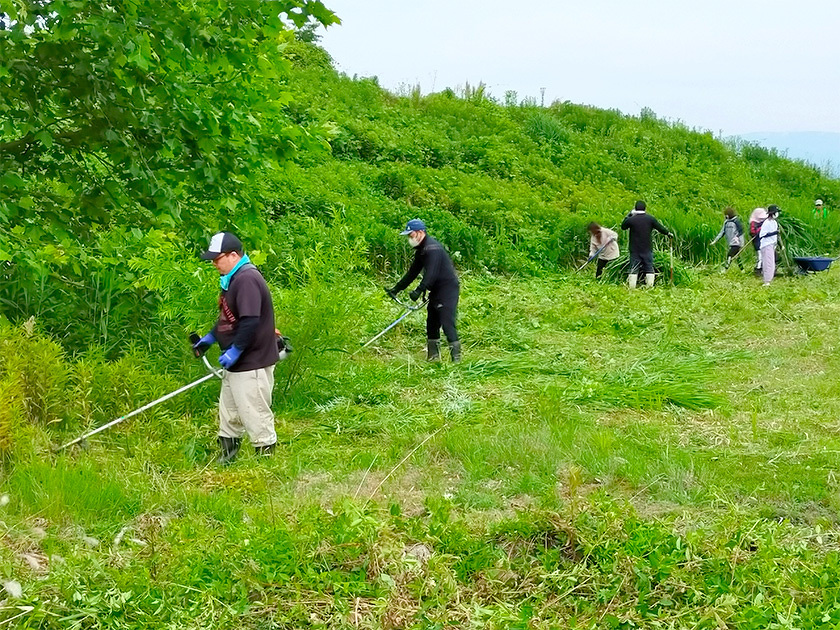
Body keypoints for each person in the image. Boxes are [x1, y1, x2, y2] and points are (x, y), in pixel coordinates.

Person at [192, 232, 280, 464]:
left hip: (252, 360)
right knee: (229, 413)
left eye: (217, 258)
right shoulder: (231, 278)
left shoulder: (247, 278)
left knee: (255, 412)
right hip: (236, 363)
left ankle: (267, 464)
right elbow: (229, 318)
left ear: (233, 255)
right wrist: (210, 339)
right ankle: (227, 459)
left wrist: (236, 350)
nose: (213, 263)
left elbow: (250, 320)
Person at [386, 219, 461, 362]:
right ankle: (433, 358)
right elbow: (412, 273)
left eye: (411, 235)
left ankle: (456, 361)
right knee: (431, 323)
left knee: (447, 323)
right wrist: (396, 289)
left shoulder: (432, 248)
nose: (410, 239)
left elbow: (431, 273)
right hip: (436, 290)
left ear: (420, 233)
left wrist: (419, 290)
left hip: (447, 289)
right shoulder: (422, 251)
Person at [620, 201, 672, 288]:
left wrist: (629, 215)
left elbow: (623, 226)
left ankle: (632, 288)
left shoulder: (632, 220)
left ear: (635, 209)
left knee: (633, 268)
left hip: (634, 248)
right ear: (645, 208)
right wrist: (668, 233)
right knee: (649, 267)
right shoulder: (650, 219)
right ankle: (649, 286)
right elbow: (660, 228)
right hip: (647, 248)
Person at [758, 205, 780, 286]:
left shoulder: (774, 222)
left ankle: (768, 280)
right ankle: (767, 281)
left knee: (770, 262)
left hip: (771, 244)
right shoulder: (766, 223)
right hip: (766, 244)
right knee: (768, 263)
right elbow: (762, 234)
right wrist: (774, 233)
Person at [748, 207, 768, 275]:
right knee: (760, 256)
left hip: (763, 241)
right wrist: (760, 229)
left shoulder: (763, 222)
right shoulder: (753, 223)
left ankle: (763, 268)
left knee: (764, 255)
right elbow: (752, 232)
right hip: (757, 242)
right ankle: (758, 269)